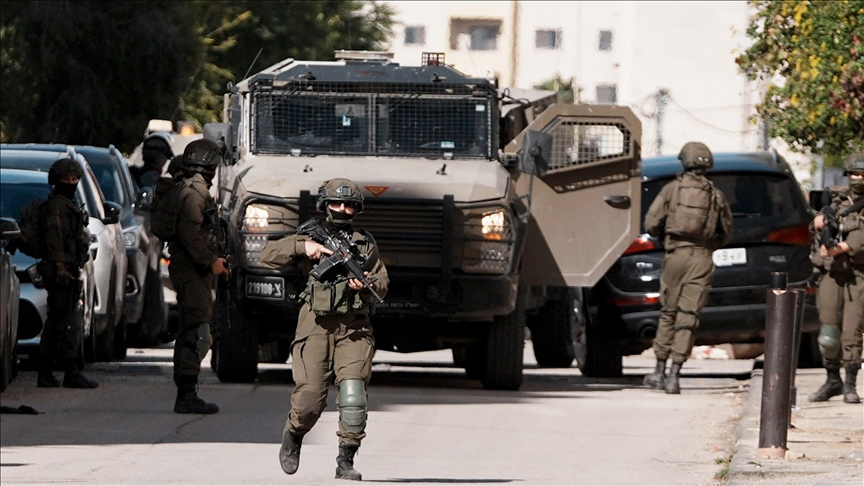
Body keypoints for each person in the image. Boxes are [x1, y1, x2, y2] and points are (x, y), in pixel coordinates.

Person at [260, 178, 388, 481]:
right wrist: (304, 248)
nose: (342, 209)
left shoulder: (364, 243)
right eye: (336, 203)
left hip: (354, 329)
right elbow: (267, 255)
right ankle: (294, 434)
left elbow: (382, 280)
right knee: (309, 401)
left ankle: (346, 461)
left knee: (354, 395)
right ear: (325, 205)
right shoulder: (308, 236)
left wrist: (366, 284)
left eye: (349, 205)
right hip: (315, 326)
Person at [641, 142, 733, 394]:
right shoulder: (716, 195)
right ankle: (674, 375)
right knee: (688, 316)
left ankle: (659, 371)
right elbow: (726, 231)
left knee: (668, 313)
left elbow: (651, 224)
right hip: (702, 259)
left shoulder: (672, 189)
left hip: (676, 257)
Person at [166, 139, 228, 414]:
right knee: (198, 332)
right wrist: (211, 261)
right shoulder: (194, 194)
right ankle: (186, 394)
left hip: (193, 269)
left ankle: (186, 391)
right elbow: (190, 236)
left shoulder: (192, 190)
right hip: (192, 269)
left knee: (190, 329)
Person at [37, 158, 99, 388]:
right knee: (65, 323)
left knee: (59, 321)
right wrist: (61, 268)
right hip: (60, 272)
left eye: (74, 179)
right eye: (66, 179)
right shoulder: (57, 207)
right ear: (56, 180)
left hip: (69, 268)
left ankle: (48, 372)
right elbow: (54, 240)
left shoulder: (67, 205)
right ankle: (69, 371)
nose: (71, 183)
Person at [808, 152, 864, 404]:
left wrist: (841, 248)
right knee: (828, 336)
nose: (858, 179)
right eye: (854, 174)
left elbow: (859, 241)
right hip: (831, 274)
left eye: (862, 175)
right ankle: (833, 380)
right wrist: (818, 222)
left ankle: (850, 384)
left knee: (852, 333)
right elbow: (815, 227)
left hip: (858, 276)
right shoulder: (835, 200)